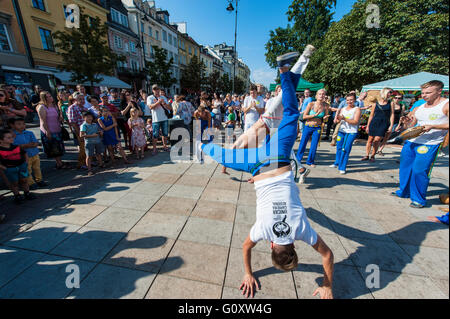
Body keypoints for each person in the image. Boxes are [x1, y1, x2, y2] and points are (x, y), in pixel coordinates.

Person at [197, 57, 334, 299]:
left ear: (293, 246)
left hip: (279, 157)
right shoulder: (263, 231)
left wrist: (328, 286)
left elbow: (327, 255)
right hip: (257, 166)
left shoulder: (303, 231)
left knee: (291, 112)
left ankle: (284, 71)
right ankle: (199, 144)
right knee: (222, 155)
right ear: (271, 246)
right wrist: (248, 274)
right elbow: (246, 247)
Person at [392, 80, 449, 208]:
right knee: (405, 168)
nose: (424, 95)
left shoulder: (446, 105)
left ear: (439, 91)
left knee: (419, 170)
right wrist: (405, 121)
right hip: (412, 141)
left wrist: (433, 125)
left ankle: (418, 199)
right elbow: (410, 125)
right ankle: (403, 192)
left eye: (428, 92)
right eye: (423, 92)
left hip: (430, 143)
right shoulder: (420, 106)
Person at [0, 129, 36, 204]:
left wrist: (25, 163)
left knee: (24, 180)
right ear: (1, 140)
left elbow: (24, 153)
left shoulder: (16, 147)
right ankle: (17, 195)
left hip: (21, 166)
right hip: (10, 168)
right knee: (14, 183)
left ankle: (27, 193)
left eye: (12, 137)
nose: (12, 139)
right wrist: (5, 168)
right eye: (8, 138)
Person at [295, 89, 329, 168]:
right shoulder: (311, 104)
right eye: (320, 94)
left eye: (323, 94)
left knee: (314, 145)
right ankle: (298, 160)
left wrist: (325, 118)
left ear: (325, 96)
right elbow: (304, 116)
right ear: (316, 95)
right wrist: (314, 115)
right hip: (308, 126)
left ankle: (310, 161)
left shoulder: (326, 105)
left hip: (317, 127)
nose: (321, 95)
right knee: (302, 144)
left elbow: (325, 119)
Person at [11, 117, 48, 189]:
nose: (22, 126)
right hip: (24, 156)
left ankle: (39, 180)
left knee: (37, 168)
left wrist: (29, 145)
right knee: (28, 169)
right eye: (19, 124)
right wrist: (27, 145)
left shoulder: (29, 133)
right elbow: (15, 146)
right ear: (13, 125)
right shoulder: (13, 136)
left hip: (34, 153)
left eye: (23, 124)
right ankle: (30, 183)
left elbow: (36, 142)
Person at [329, 93, 362, 174]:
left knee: (345, 149)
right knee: (339, 147)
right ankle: (337, 163)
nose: (349, 101)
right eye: (347, 100)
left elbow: (355, 122)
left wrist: (345, 119)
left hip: (351, 132)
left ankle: (342, 167)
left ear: (354, 100)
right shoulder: (343, 108)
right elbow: (339, 120)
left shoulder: (357, 109)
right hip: (342, 130)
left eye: (351, 100)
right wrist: (337, 120)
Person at [36, 91, 67, 169]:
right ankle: (59, 163)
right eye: (48, 97)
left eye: (50, 96)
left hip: (57, 129)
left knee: (59, 147)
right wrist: (47, 131)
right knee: (54, 148)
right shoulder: (42, 107)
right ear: (44, 98)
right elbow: (43, 121)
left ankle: (60, 161)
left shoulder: (54, 105)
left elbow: (57, 116)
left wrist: (60, 118)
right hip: (49, 130)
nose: (50, 98)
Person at [362, 88, 394, 162]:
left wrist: (391, 125)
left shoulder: (391, 103)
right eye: (390, 92)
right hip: (374, 122)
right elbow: (371, 115)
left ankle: (373, 155)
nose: (391, 94)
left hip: (384, 123)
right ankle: (367, 155)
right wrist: (367, 126)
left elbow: (392, 115)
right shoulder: (375, 104)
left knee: (377, 140)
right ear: (385, 93)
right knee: (370, 139)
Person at [147, 84, 172, 155]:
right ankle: (154, 149)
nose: (156, 91)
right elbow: (151, 107)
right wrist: (158, 102)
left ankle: (165, 146)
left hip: (164, 118)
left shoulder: (163, 97)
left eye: (157, 89)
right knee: (155, 135)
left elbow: (170, 108)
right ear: (152, 90)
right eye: (155, 89)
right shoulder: (150, 98)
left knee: (165, 134)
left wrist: (164, 103)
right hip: (156, 119)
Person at [67, 92, 88, 169]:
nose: (82, 100)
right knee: (82, 147)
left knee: (87, 147)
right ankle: (81, 163)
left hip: (87, 130)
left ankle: (88, 161)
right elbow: (72, 122)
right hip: (79, 131)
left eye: (83, 99)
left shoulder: (84, 108)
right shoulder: (72, 108)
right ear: (75, 99)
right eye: (80, 99)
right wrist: (79, 133)